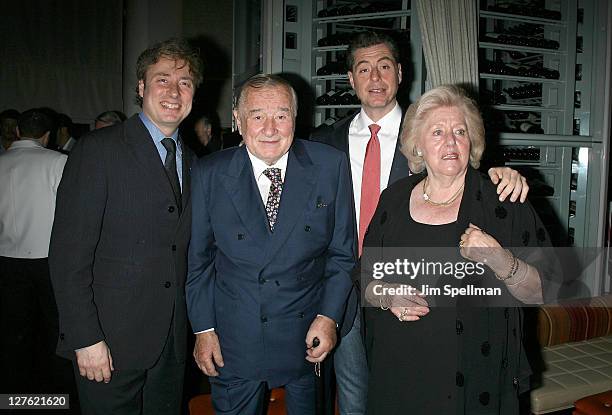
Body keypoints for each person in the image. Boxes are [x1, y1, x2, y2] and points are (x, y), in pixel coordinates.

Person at [311, 31, 529, 415]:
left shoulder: (434, 123)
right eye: (364, 69)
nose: (375, 77)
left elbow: (474, 171)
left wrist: (507, 176)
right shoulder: (323, 142)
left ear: (400, 72)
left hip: (439, 311)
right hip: (348, 288)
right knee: (356, 398)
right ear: (350, 79)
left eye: (383, 66)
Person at [359, 85, 554, 414]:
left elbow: (546, 286)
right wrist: (386, 294)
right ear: (417, 144)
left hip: (474, 379)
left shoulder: (501, 200)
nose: (450, 142)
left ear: (472, 142)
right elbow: (363, 276)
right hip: (397, 374)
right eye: (437, 132)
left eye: (459, 131)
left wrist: (501, 260)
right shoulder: (393, 199)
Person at [49, 38, 203, 415]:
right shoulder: (99, 150)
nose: (173, 91)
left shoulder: (196, 163)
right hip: (108, 344)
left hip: (170, 347)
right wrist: (85, 338)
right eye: (161, 79)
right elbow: (68, 257)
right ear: (141, 88)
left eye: (184, 82)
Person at [186, 74, 355, 415]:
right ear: (237, 120)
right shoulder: (209, 173)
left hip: (307, 334)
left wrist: (329, 317)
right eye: (257, 115)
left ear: (296, 117)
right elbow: (199, 261)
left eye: (281, 115)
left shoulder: (329, 165)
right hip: (236, 337)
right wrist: (203, 329)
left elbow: (342, 254)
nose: (270, 128)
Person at [0, 109, 67, 393]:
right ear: (47, 135)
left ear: (17, 131)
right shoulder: (59, 162)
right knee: (55, 326)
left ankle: (15, 390)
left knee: (14, 329)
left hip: (6, 260)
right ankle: (55, 390)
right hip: (48, 259)